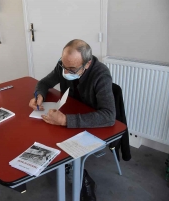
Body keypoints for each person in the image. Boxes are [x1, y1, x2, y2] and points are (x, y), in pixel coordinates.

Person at [29, 39, 116, 201]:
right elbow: (45, 82)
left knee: (62, 140)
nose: (66, 72)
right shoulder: (64, 64)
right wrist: (39, 95)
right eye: (64, 66)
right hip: (71, 111)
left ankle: (83, 178)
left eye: (72, 69)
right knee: (45, 132)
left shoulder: (100, 74)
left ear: (87, 64)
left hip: (93, 122)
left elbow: (109, 116)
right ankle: (68, 167)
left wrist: (65, 121)